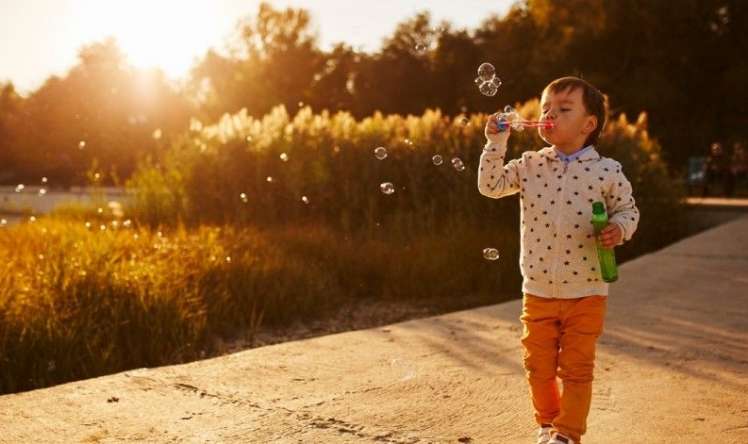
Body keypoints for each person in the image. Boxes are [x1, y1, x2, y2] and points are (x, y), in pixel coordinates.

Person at [477, 76, 640, 444]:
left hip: (587, 291)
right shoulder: (531, 164)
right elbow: (490, 186)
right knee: (538, 366)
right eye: (545, 108)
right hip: (537, 290)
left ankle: (567, 433)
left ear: (588, 124)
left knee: (577, 369)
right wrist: (495, 141)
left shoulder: (607, 171)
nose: (550, 114)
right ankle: (549, 425)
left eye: (564, 109)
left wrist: (618, 229)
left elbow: (628, 212)